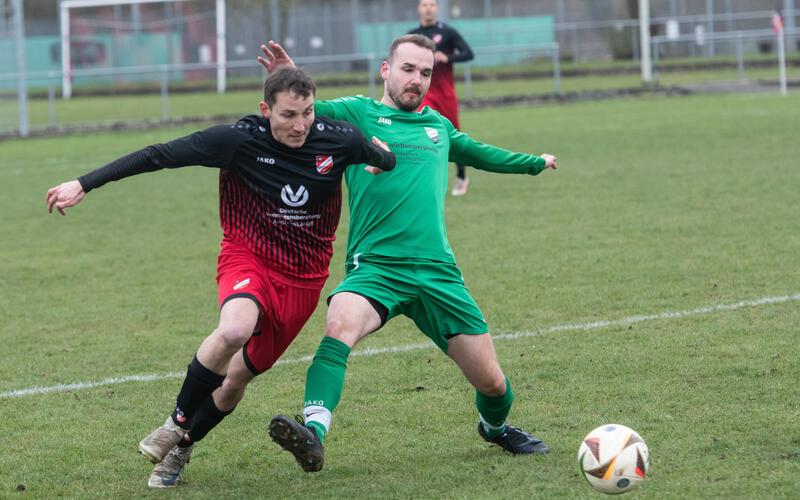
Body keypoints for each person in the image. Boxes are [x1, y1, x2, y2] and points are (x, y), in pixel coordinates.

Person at [44, 67, 395, 488]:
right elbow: (159, 154)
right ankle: (175, 422)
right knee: (234, 330)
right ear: (266, 110)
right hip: (248, 256)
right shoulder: (236, 141)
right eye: (288, 115)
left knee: (234, 380)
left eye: (307, 112)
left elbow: (383, 157)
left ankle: (183, 446)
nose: (300, 125)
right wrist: (84, 183)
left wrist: (380, 162)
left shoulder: (339, 139)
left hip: (303, 278)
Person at [258, 35, 558, 473]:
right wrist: (288, 77)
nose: (416, 79)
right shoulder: (357, 114)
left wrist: (533, 162)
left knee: (493, 384)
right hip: (376, 268)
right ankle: (313, 433)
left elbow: (481, 154)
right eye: (408, 69)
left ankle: (494, 429)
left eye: (425, 72)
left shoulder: (439, 127)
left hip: (437, 273)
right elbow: (303, 113)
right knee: (339, 324)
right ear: (385, 70)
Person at [409, 0, 474, 196]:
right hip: (425, 92)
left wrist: (447, 57)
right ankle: (425, 178)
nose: (428, 8)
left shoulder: (447, 32)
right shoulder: (412, 36)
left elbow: (468, 53)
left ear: (436, 8)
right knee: (422, 130)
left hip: (445, 94)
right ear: (419, 8)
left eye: (432, 4)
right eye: (424, 4)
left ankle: (461, 177)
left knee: (453, 134)